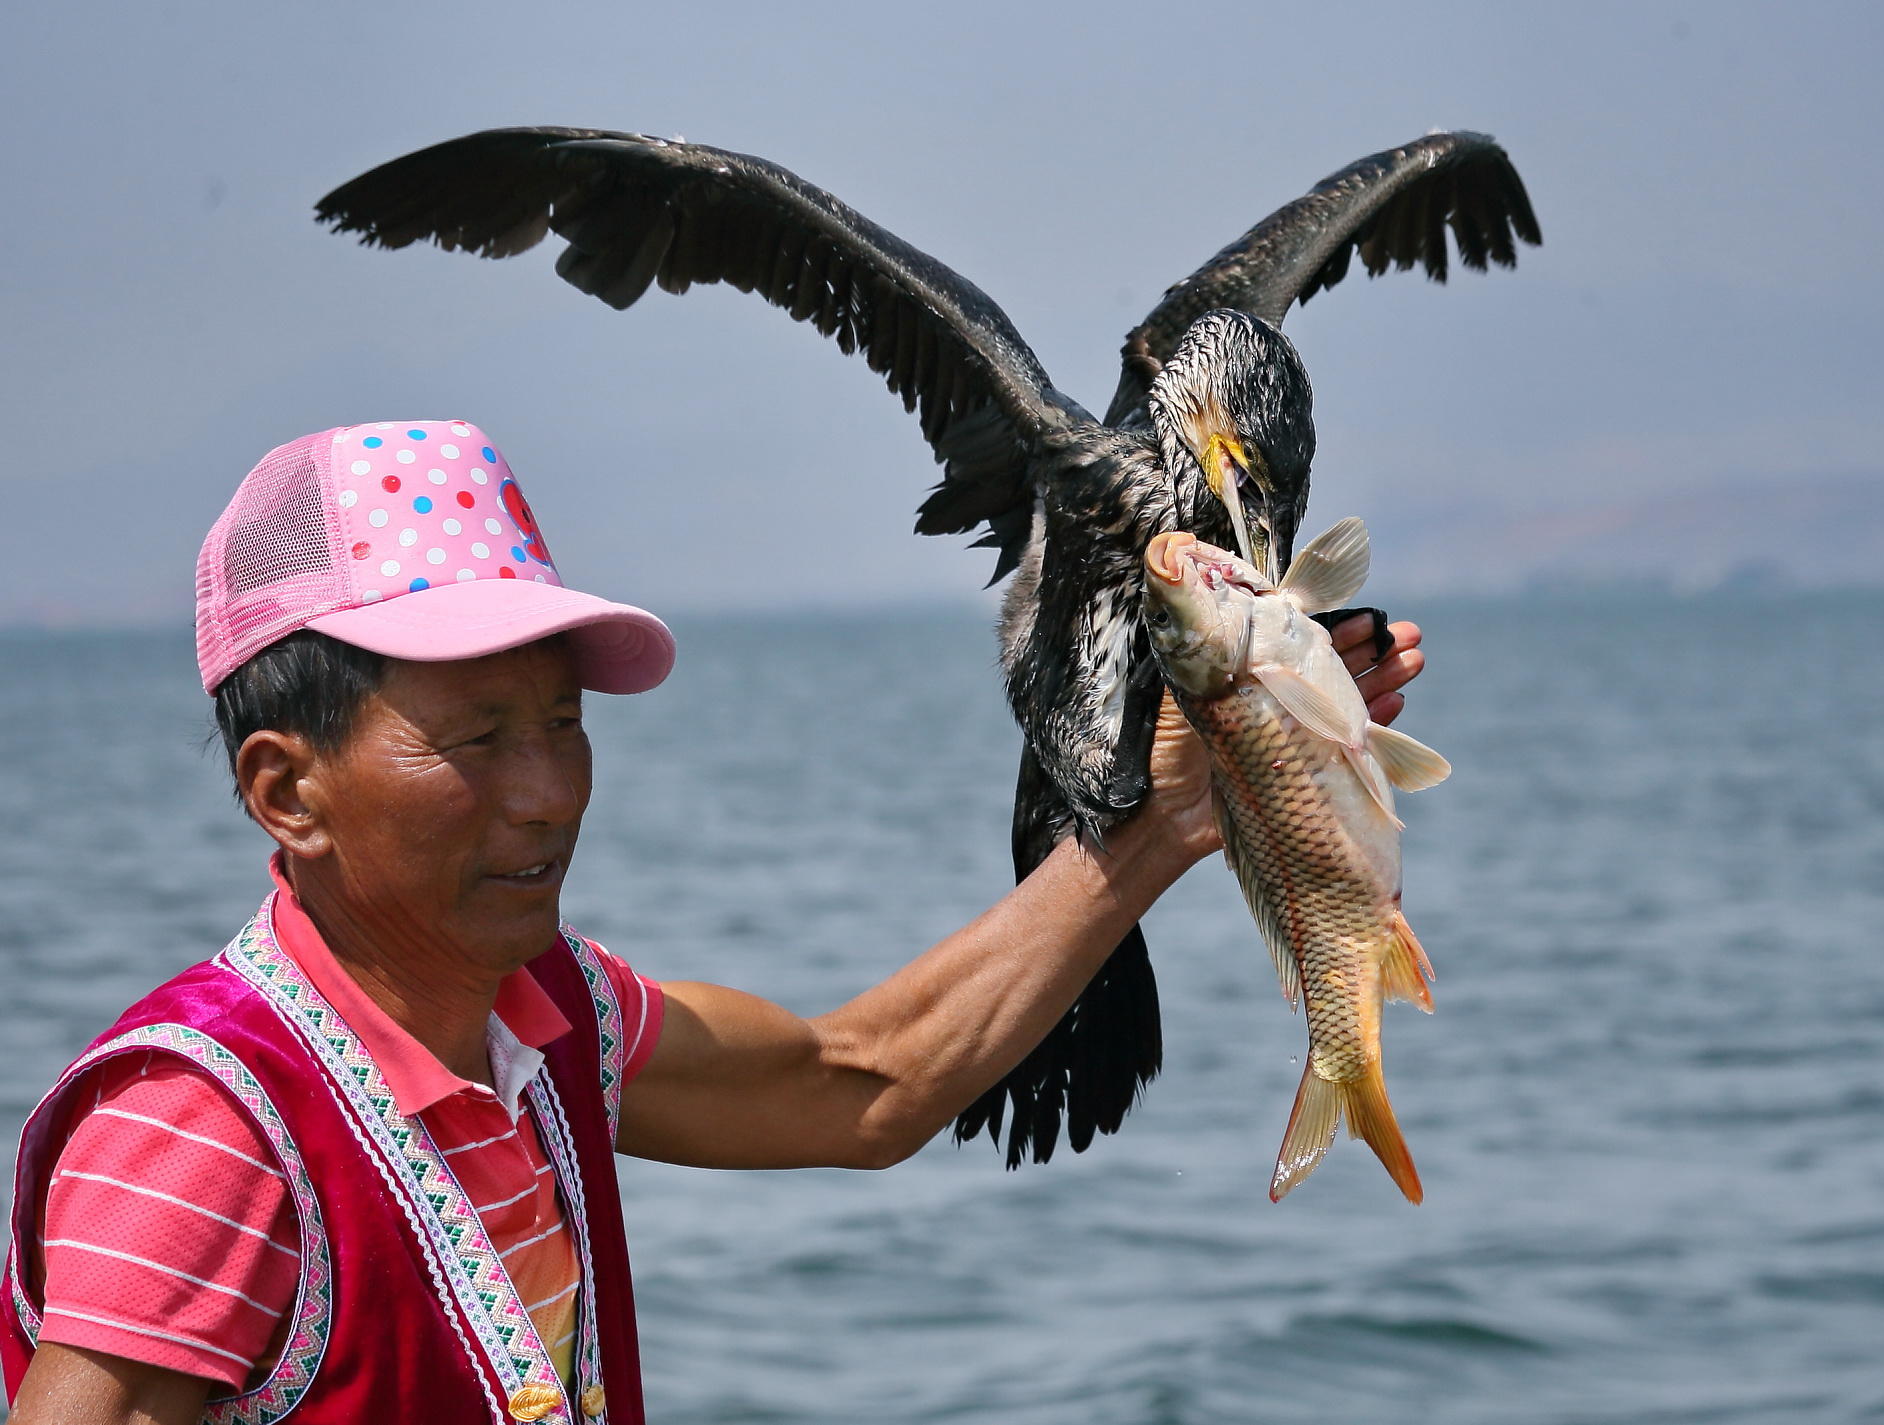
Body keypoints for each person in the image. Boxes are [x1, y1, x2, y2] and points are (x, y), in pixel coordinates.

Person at [2, 422, 1426, 1424]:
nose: (549, 791)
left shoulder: (551, 1019)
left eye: (562, 723)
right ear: (285, 789)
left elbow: (860, 1085)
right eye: (477, 738)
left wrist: (1183, 804)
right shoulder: (207, 1133)